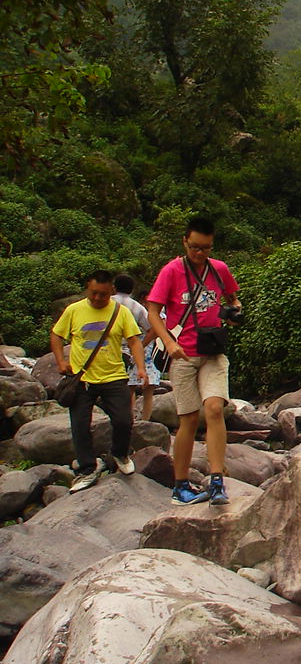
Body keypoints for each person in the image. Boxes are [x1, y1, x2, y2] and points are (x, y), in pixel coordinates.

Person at [147, 217, 241, 506]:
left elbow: (234, 299)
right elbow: (153, 310)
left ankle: (216, 482)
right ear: (184, 242)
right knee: (187, 419)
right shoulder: (172, 271)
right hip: (184, 355)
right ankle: (180, 486)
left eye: (206, 248)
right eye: (195, 247)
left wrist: (234, 312)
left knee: (214, 408)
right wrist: (169, 342)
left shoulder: (219, 268)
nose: (200, 254)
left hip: (213, 352)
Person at [50, 270, 150, 492]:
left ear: (111, 292)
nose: (97, 298)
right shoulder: (74, 310)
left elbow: (134, 341)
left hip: (113, 376)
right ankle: (87, 468)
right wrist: (60, 361)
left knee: (124, 420)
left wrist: (141, 367)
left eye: (103, 295)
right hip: (82, 378)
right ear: (88, 288)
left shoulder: (120, 312)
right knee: (79, 425)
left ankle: (119, 453)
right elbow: (57, 334)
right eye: (94, 293)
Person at [113, 273, 159, 422]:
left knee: (119, 388)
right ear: (132, 289)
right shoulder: (136, 306)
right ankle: (142, 421)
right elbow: (152, 329)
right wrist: (140, 345)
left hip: (108, 350)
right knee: (136, 387)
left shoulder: (106, 302)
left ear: (113, 287)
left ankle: (121, 418)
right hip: (130, 350)